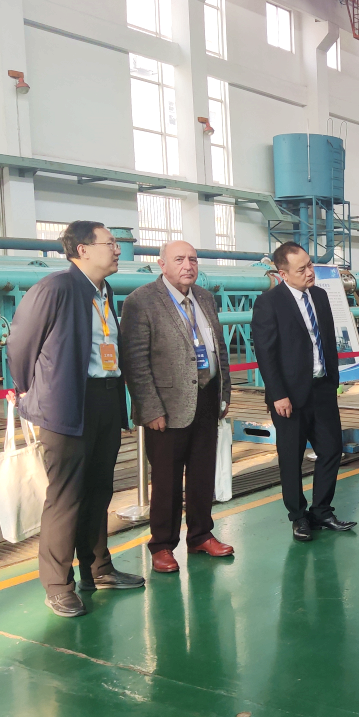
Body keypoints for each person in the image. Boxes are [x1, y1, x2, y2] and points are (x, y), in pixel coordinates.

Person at [7, 221, 144, 618]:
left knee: (100, 490)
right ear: (82, 250)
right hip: (67, 404)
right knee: (66, 496)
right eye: (110, 243)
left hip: (105, 398)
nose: (117, 250)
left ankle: (98, 569)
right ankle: (57, 585)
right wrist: (28, 388)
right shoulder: (55, 288)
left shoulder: (104, 291)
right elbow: (20, 344)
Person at [119, 240, 234, 573]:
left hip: (206, 398)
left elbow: (219, 349)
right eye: (180, 259)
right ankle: (162, 545)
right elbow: (135, 361)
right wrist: (150, 407)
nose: (188, 265)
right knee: (167, 481)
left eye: (193, 259)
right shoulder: (141, 301)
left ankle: (200, 535)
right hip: (166, 408)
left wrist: (224, 392)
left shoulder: (205, 298)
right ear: (162, 264)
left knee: (202, 475)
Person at [251, 242, 355, 542]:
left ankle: (321, 510)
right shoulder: (269, 303)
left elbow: (328, 340)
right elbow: (266, 353)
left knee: (331, 449)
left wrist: (333, 380)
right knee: (291, 458)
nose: (310, 272)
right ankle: (298, 516)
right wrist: (277, 394)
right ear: (283, 274)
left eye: (310, 265)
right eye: (302, 269)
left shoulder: (320, 296)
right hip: (289, 396)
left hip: (322, 388)